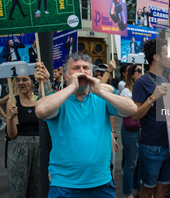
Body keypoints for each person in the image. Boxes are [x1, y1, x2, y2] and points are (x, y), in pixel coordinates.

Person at [34, 54, 137, 197]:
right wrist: (71, 87)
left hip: (101, 182)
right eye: (76, 68)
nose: (82, 71)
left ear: (91, 73)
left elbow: (131, 109)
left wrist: (100, 91)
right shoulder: (58, 99)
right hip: (65, 185)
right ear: (65, 76)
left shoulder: (101, 97)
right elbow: (41, 111)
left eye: (85, 68)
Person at [132, 38, 170, 198]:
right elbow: (135, 115)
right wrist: (152, 98)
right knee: (148, 189)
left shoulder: (166, 80)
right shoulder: (142, 82)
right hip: (151, 146)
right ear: (156, 57)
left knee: (164, 187)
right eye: (167, 54)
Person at [120, 64, 143, 198]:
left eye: (142, 70)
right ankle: (127, 193)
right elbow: (132, 111)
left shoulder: (139, 88)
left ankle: (138, 188)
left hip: (141, 129)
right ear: (132, 75)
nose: (142, 72)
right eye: (139, 71)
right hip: (131, 129)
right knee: (131, 162)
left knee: (139, 161)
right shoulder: (126, 91)